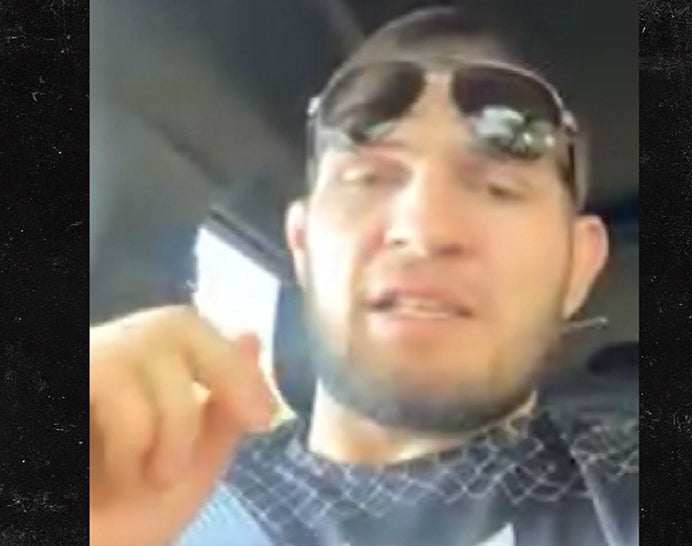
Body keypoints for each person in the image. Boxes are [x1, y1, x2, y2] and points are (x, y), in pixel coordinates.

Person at [90, 7, 638, 546]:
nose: (423, 229)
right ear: (301, 243)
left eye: (500, 189)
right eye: (368, 178)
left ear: (579, 264)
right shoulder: (146, 496)